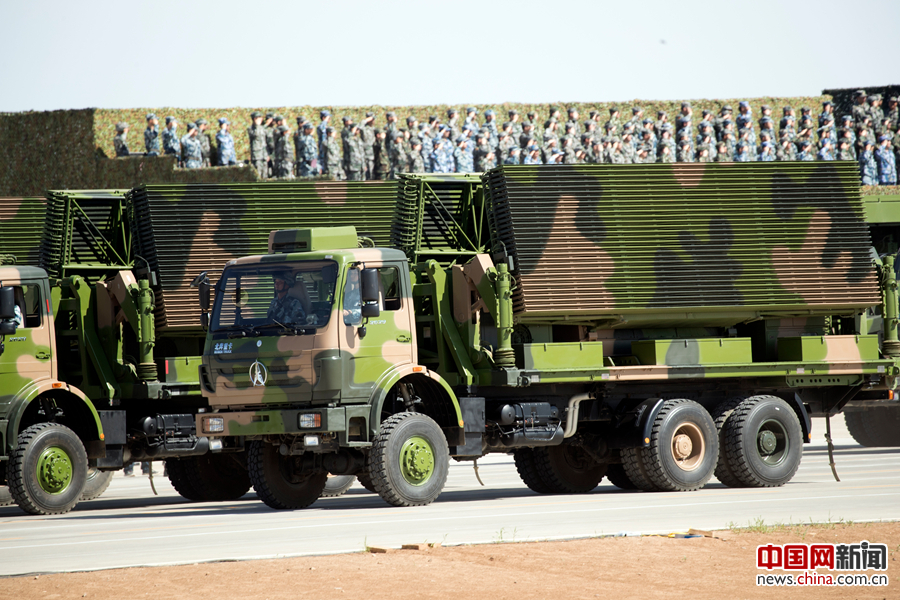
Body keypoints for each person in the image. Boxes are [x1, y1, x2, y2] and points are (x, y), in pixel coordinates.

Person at [248, 111, 268, 179]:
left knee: (265, 175)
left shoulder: (262, 128)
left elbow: (265, 142)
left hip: (263, 155)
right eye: (258, 118)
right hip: (257, 156)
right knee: (258, 175)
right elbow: (255, 135)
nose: (261, 119)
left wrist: (266, 154)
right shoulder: (251, 129)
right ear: (254, 119)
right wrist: (256, 125)